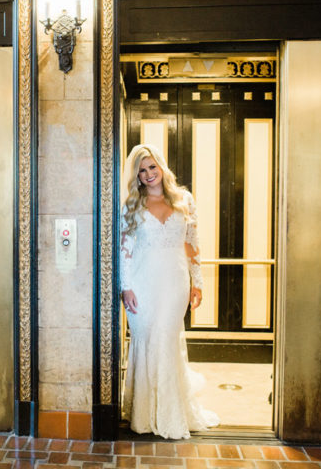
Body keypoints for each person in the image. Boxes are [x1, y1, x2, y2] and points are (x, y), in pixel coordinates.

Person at [120, 144, 219, 439]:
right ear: (136, 175)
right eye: (142, 170)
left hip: (175, 283)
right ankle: (144, 415)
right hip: (142, 283)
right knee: (146, 338)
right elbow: (124, 251)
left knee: (165, 339)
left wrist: (197, 281)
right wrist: (125, 287)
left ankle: (169, 413)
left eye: (152, 167)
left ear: (161, 167)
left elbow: (192, 243)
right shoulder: (132, 206)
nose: (149, 174)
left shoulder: (184, 200)